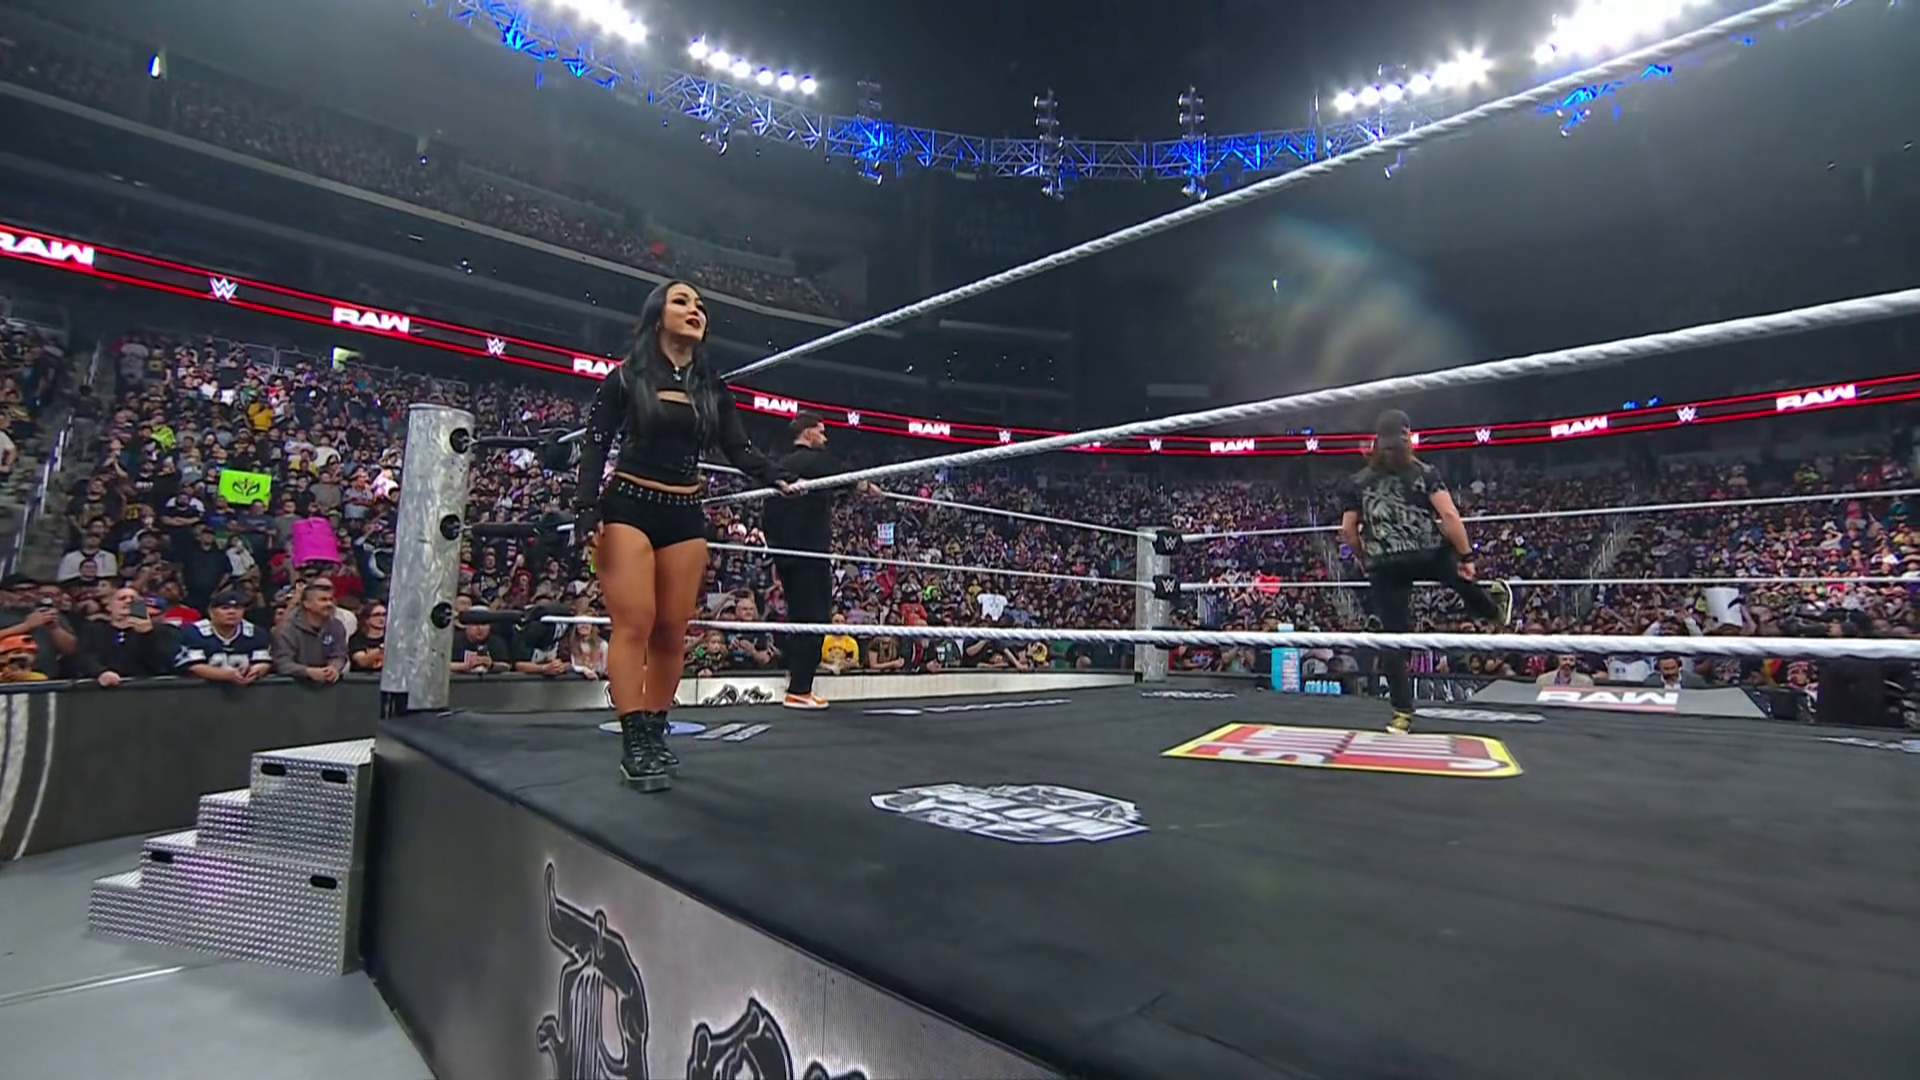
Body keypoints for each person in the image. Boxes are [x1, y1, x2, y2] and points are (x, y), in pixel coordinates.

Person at [570, 280, 797, 792]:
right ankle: (633, 738)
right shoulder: (625, 378)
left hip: (684, 510)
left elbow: (739, 448)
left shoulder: (711, 386)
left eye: (700, 306)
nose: (695, 310)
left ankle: (654, 731)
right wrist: (586, 506)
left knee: (672, 631)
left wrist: (777, 476)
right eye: (682, 302)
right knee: (634, 623)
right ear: (658, 316)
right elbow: (596, 442)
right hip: (629, 504)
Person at [1340, 409, 1513, 734]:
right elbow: (1449, 516)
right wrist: (1467, 557)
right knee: (1456, 572)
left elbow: (1348, 531)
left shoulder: (1358, 481)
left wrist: (1365, 557)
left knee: (1393, 638)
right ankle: (1492, 611)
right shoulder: (1424, 473)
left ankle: (1402, 713)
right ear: (1408, 438)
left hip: (1385, 562)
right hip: (1427, 553)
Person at [759, 411, 877, 708]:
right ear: (808, 433)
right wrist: (865, 487)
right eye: (821, 432)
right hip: (808, 552)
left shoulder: (781, 465)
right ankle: (800, 689)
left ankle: (797, 683)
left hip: (788, 552)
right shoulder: (812, 461)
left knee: (800, 617)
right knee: (814, 616)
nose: (825, 438)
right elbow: (843, 476)